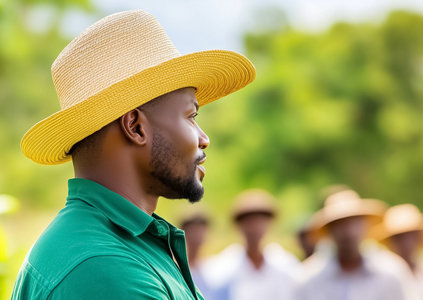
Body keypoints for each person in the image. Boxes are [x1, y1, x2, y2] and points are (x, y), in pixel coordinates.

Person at [12, 10, 255, 299]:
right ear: (135, 126)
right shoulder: (103, 267)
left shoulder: (116, 244)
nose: (204, 138)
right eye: (191, 115)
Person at [295, 190, 407, 300]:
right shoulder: (310, 278)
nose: (349, 232)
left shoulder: (390, 272)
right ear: (329, 231)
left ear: (364, 225)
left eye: (354, 223)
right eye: (340, 225)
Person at [203, 189, 300, 300]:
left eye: (260, 221)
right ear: (239, 225)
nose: (255, 227)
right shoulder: (222, 268)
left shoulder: (286, 265)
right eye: (249, 221)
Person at [375, 204, 423, 300]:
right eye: (401, 238)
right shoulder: (384, 272)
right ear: (392, 241)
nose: (407, 243)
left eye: (411, 236)